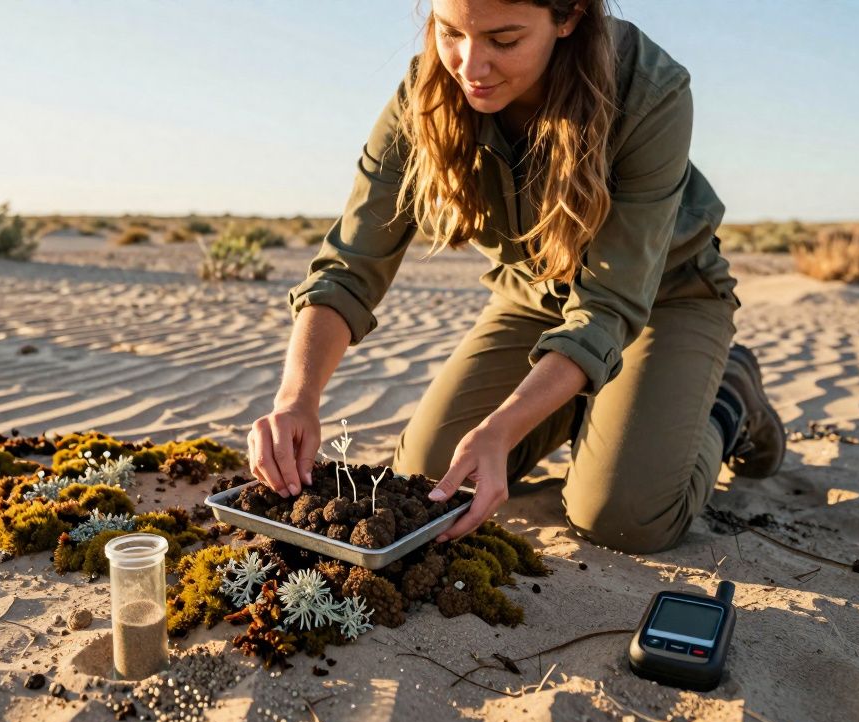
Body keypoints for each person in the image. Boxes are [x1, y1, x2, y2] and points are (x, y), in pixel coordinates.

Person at [247, 0, 785, 554]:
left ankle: (730, 401)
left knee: (623, 518)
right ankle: (581, 403)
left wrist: (502, 428)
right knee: (429, 483)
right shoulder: (425, 94)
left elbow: (608, 307)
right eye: (450, 31)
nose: (470, 67)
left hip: (660, 301)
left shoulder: (651, 90)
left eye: (504, 41)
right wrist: (297, 396)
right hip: (537, 298)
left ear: (570, 16)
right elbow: (350, 264)